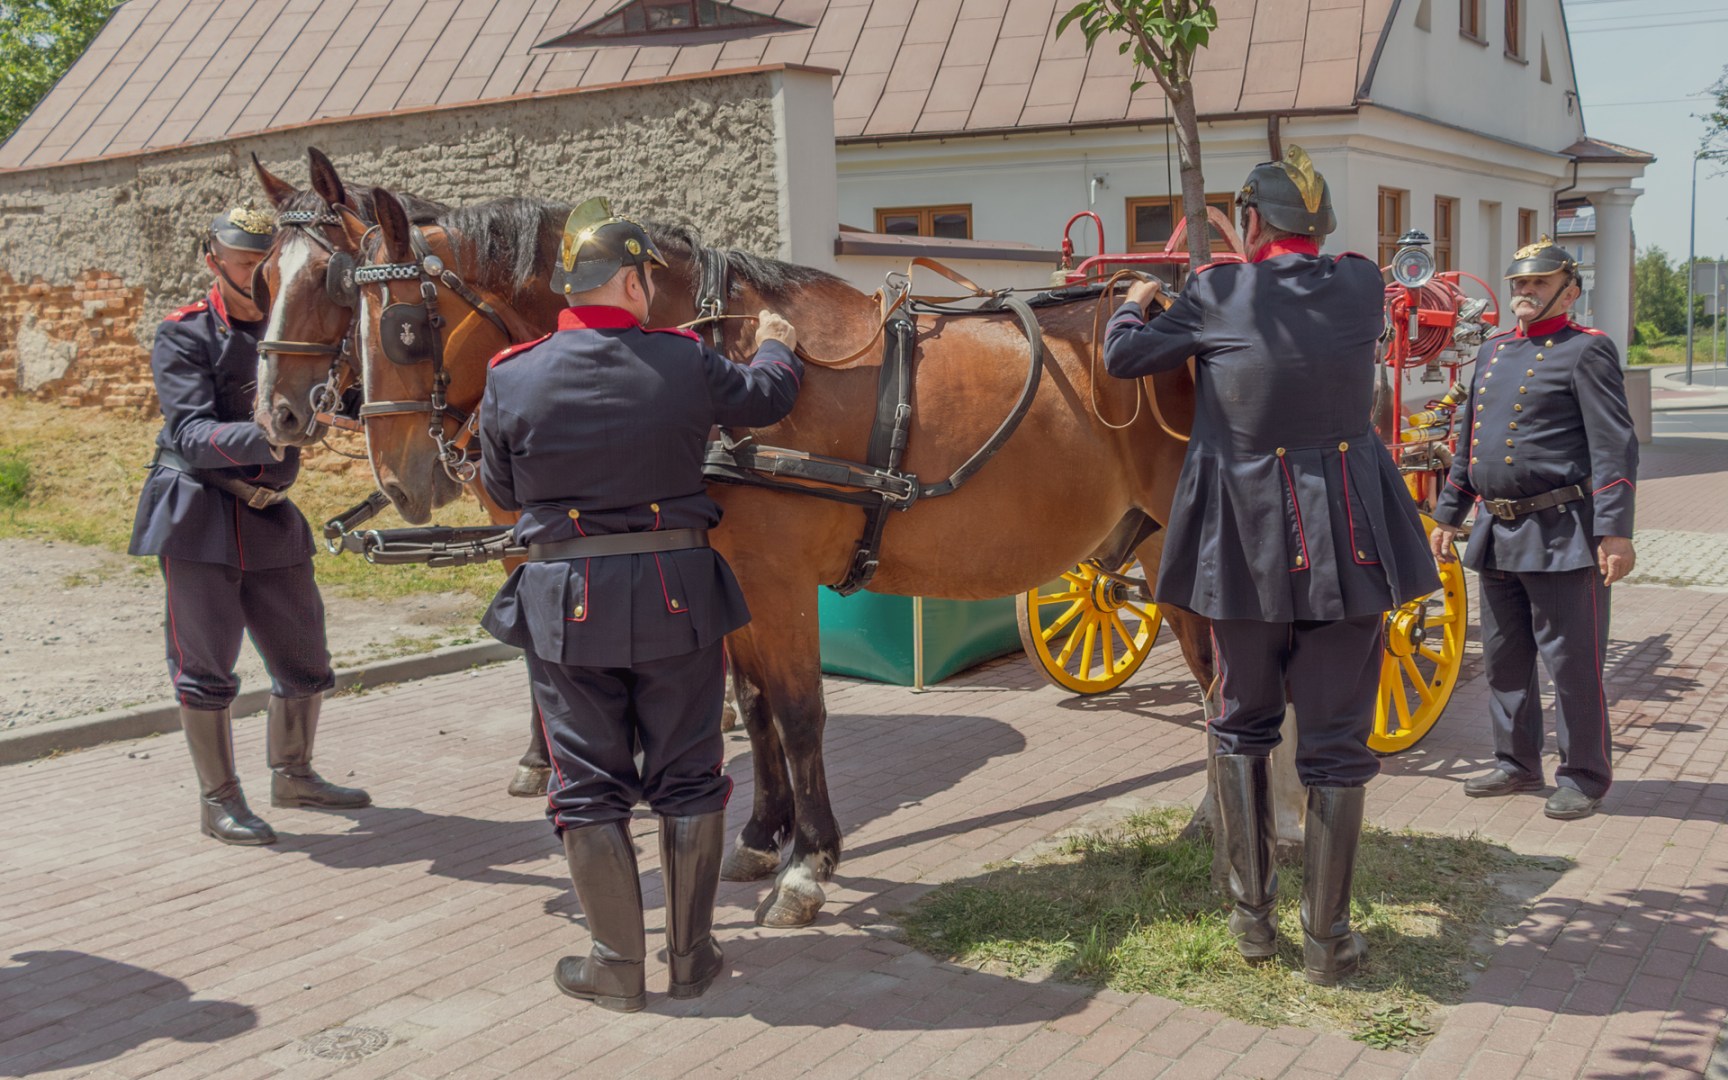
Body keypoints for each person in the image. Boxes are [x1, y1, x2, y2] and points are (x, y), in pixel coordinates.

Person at [1102, 147, 1439, 985]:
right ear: (1317, 228)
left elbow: (1124, 360)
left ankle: (1252, 924)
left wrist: (1137, 305)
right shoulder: (1362, 285)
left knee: (1242, 723)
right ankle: (1328, 942)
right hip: (1353, 542)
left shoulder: (1217, 293)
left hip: (1243, 550)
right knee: (1335, 742)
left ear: (1251, 223)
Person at [478, 198, 802, 1012]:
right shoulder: (683, 360)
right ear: (629, 279)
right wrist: (777, 348)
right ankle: (692, 959)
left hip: (566, 600)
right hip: (674, 593)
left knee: (585, 783)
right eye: (648, 279)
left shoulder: (512, 371)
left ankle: (615, 965)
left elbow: (503, 490)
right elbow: (765, 399)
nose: (654, 292)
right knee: (689, 776)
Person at [129, 207, 370, 846]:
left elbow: (329, 392)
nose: (256, 278)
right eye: (243, 265)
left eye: (264, 266)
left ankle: (292, 774)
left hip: (269, 516)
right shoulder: (185, 335)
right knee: (206, 667)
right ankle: (218, 800)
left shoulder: (285, 326)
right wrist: (273, 430)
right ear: (214, 263)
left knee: (306, 656)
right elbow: (190, 433)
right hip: (197, 514)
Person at [1430, 238, 1637, 821]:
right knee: (1505, 658)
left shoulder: (1586, 351)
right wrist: (1449, 513)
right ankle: (1518, 763)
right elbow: (1471, 443)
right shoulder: (1493, 352)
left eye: (1538, 284)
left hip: (1563, 533)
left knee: (1572, 663)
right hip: (1497, 532)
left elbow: (1614, 446)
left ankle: (1584, 775)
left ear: (1569, 292)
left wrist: (1614, 532)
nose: (1524, 292)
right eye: (1519, 283)